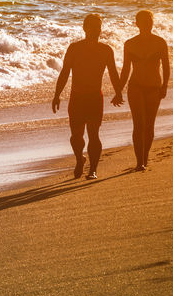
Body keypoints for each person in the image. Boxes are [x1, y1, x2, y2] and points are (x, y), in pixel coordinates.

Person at [52, 14, 123, 179]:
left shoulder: (105, 50)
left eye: (98, 27)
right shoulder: (74, 48)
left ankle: (93, 169)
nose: (96, 31)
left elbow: (113, 73)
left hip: (94, 98)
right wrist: (57, 95)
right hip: (77, 97)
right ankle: (79, 159)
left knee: (93, 134)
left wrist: (118, 92)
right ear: (85, 28)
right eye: (92, 27)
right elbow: (64, 73)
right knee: (76, 137)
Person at [117, 10, 170, 171]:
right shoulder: (130, 43)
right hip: (136, 86)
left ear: (152, 23)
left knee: (149, 125)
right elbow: (126, 70)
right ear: (137, 24)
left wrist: (165, 86)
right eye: (143, 21)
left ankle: (145, 157)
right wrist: (118, 90)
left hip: (154, 87)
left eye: (149, 21)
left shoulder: (160, 42)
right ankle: (139, 161)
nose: (147, 24)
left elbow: (166, 67)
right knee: (138, 124)